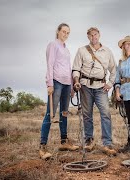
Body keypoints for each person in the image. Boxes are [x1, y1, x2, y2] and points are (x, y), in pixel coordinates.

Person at [72, 27, 117, 155]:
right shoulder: (81, 50)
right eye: (91, 35)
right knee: (87, 114)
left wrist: (110, 83)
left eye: (95, 34)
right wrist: (76, 81)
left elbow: (113, 70)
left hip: (101, 87)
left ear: (99, 35)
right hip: (85, 86)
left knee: (106, 113)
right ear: (88, 37)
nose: (94, 37)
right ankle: (89, 141)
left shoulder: (107, 51)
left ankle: (107, 144)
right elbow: (76, 69)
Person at [39, 23, 79, 160]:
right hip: (56, 82)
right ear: (58, 31)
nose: (66, 34)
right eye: (64, 31)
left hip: (67, 84)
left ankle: (64, 142)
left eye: (68, 32)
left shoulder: (66, 49)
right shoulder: (53, 45)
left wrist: (72, 86)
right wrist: (49, 83)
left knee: (64, 113)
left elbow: (68, 68)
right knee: (50, 113)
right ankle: (42, 146)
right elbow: (49, 64)